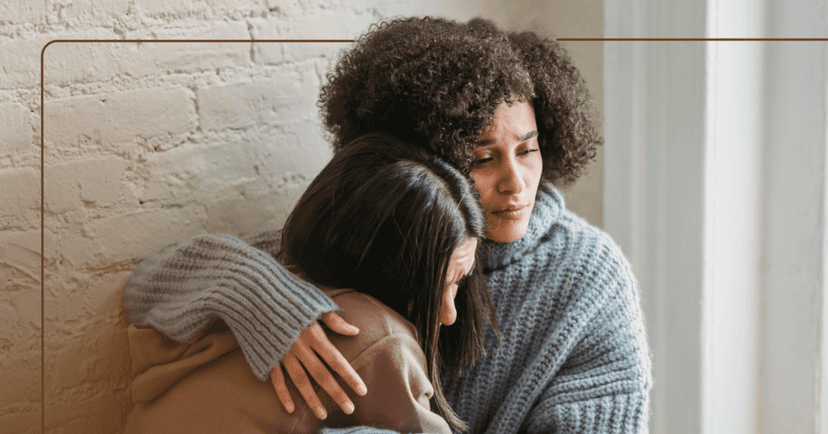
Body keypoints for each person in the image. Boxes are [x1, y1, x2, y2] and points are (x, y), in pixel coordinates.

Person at [123, 16, 652, 434]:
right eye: (483, 158)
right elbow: (148, 286)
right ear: (426, 160)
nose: (517, 183)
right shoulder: (389, 231)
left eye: (529, 150)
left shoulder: (588, 276)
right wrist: (264, 300)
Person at [122, 132, 499, 433]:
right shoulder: (381, 338)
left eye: (459, 283)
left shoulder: (288, 264)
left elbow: (139, 287)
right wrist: (259, 292)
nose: (449, 314)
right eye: (443, 285)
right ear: (390, 272)